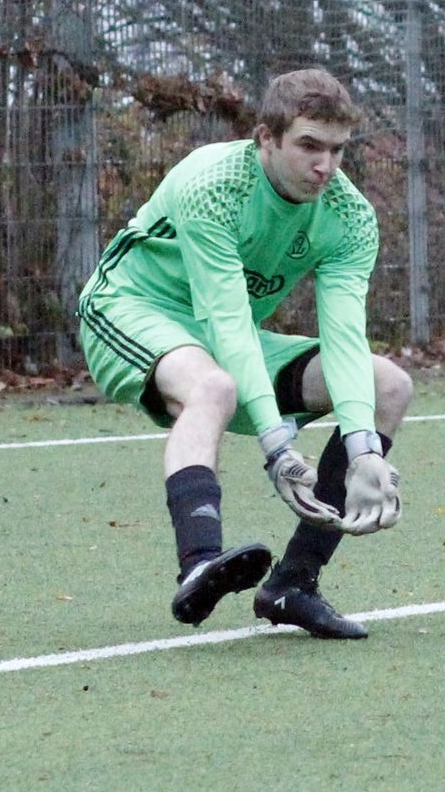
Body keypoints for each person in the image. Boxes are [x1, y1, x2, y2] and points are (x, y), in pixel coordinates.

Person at [77, 67, 413, 639]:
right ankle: (200, 564)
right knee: (213, 387)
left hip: (223, 333)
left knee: (387, 385)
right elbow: (227, 319)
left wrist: (362, 448)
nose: (324, 166)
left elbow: (344, 339)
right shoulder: (211, 182)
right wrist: (279, 448)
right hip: (131, 308)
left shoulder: (350, 216)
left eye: (336, 150)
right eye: (308, 145)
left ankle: (293, 585)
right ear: (267, 139)